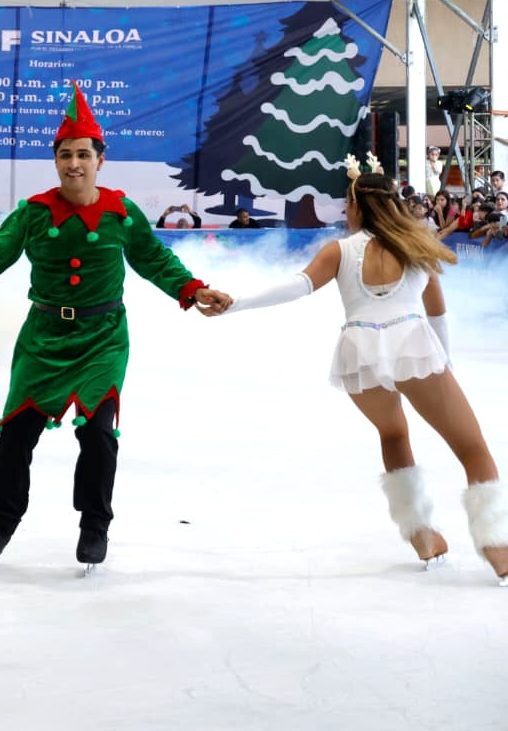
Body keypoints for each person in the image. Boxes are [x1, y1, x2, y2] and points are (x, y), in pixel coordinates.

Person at [0, 84, 231, 568]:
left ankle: (94, 526)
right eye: (65, 155)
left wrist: (192, 289)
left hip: (102, 337)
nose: (74, 164)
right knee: (15, 436)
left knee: (98, 432)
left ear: (100, 159)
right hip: (43, 338)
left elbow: (154, 259)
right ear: (57, 161)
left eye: (83, 154)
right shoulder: (34, 212)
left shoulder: (122, 213)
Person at [213, 156, 507, 584]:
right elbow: (437, 313)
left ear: (355, 207)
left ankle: (422, 535)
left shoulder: (340, 250)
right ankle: (496, 543)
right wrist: (444, 363)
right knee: (473, 447)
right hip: (411, 346)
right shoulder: (417, 244)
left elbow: (297, 285)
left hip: (360, 350)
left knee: (393, 434)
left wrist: (236, 302)